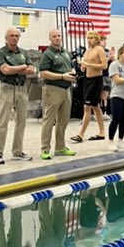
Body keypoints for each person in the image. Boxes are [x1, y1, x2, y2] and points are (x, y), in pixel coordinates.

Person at [0, 27, 36, 164]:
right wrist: (22, 67)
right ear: (6, 38)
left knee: (22, 121)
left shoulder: (23, 53)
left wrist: (15, 69)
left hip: (22, 89)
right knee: (3, 121)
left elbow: (32, 70)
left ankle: (17, 151)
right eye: (11, 35)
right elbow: (5, 70)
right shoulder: (0, 53)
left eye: (17, 36)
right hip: (7, 88)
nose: (14, 38)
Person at [38, 29, 77, 160]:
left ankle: (60, 147)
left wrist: (72, 72)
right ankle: (45, 149)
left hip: (66, 90)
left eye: (59, 36)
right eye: (54, 36)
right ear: (50, 38)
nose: (57, 38)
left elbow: (71, 67)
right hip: (52, 89)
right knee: (49, 120)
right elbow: (43, 73)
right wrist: (62, 76)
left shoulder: (66, 53)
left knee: (64, 120)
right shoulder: (47, 54)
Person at [71, 30, 108, 143]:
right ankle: (102, 132)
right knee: (95, 106)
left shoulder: (99, 50)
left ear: (96, 40)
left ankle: (81, 134)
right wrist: (83, 67)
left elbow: (104, 65)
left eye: (91, 38)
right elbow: (85, 65)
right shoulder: (87, 51)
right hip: (87, 79)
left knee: (87, 107)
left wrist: (89, 65)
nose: (89, 40)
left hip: (96, 80)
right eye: (88, 38)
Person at [107, 44, 124, 152]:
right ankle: (110, 141)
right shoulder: (114, 65)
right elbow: (116, 79)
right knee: (116, 118)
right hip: (118, 95)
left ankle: (120, 139)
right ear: (120, 54)